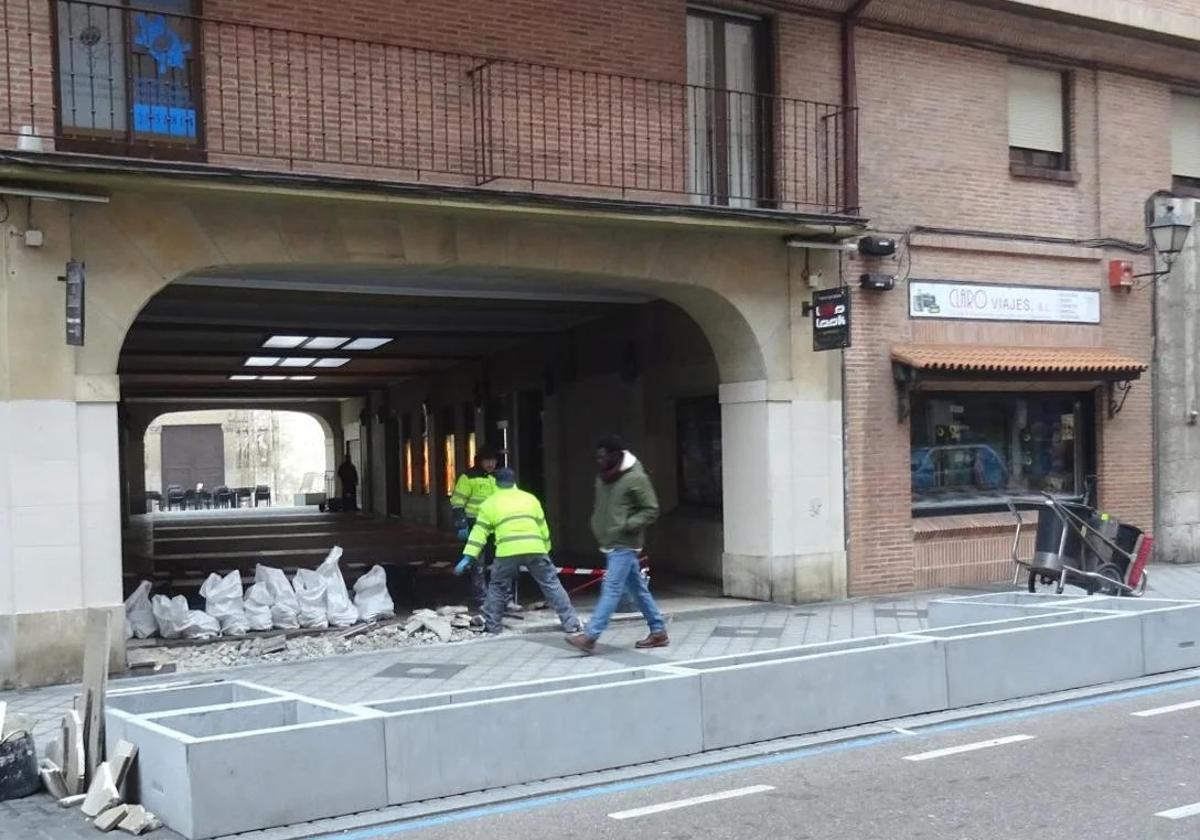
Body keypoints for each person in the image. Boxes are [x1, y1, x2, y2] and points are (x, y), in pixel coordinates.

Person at [566, 435, 667, 654]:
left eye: (603, 456)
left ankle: (591, 636)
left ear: (615, 455)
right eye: (597, 457)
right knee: (638, 590)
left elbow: (651, 509)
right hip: (611, 541)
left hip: (625, 542)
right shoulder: (602, 479)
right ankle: (658, 631)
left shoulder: (636, 478)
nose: (599, 461)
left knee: (611, 588)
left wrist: (628, 525)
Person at [454, 468, 581, 635]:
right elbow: (543, 528)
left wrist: (468, 556)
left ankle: (493, 626)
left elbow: (480, 532)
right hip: (535, 548)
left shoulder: (490, 503)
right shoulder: (530, 499)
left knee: (498, 586)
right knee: (551, 584)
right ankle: (571, 623)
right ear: (514, 482)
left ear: (496, 484)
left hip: (508, 551)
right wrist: (546, 551)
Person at [450, 449, 499, 609]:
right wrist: (462, 524)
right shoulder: (468, 477)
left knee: (498, 563)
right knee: (478, 564)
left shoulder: (497, 477)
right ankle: (482, 598)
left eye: (493, 460)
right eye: (487, 461)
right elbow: (458, 502)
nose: (491, 464)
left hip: (496, 527)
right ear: (479, 461)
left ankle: (501, 597)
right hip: (475, 525)